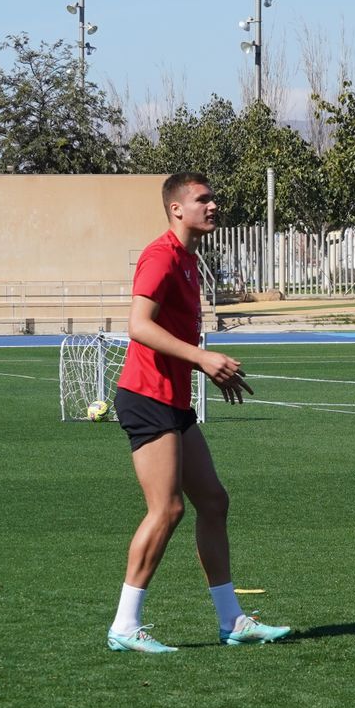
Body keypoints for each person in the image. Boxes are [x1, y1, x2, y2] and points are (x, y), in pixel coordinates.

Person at [106, 171, 289, 653]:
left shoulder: (188, 260)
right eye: (202, 200)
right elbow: (138, 326)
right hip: (146, 396)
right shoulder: (161, 256)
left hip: (173, 400)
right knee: (167, 508)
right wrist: (203, 357)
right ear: (176, 209)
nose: (213, 206)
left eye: (213, 198)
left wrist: (202, 368)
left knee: (214, 501)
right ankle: (125, 626)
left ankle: (231, 621)